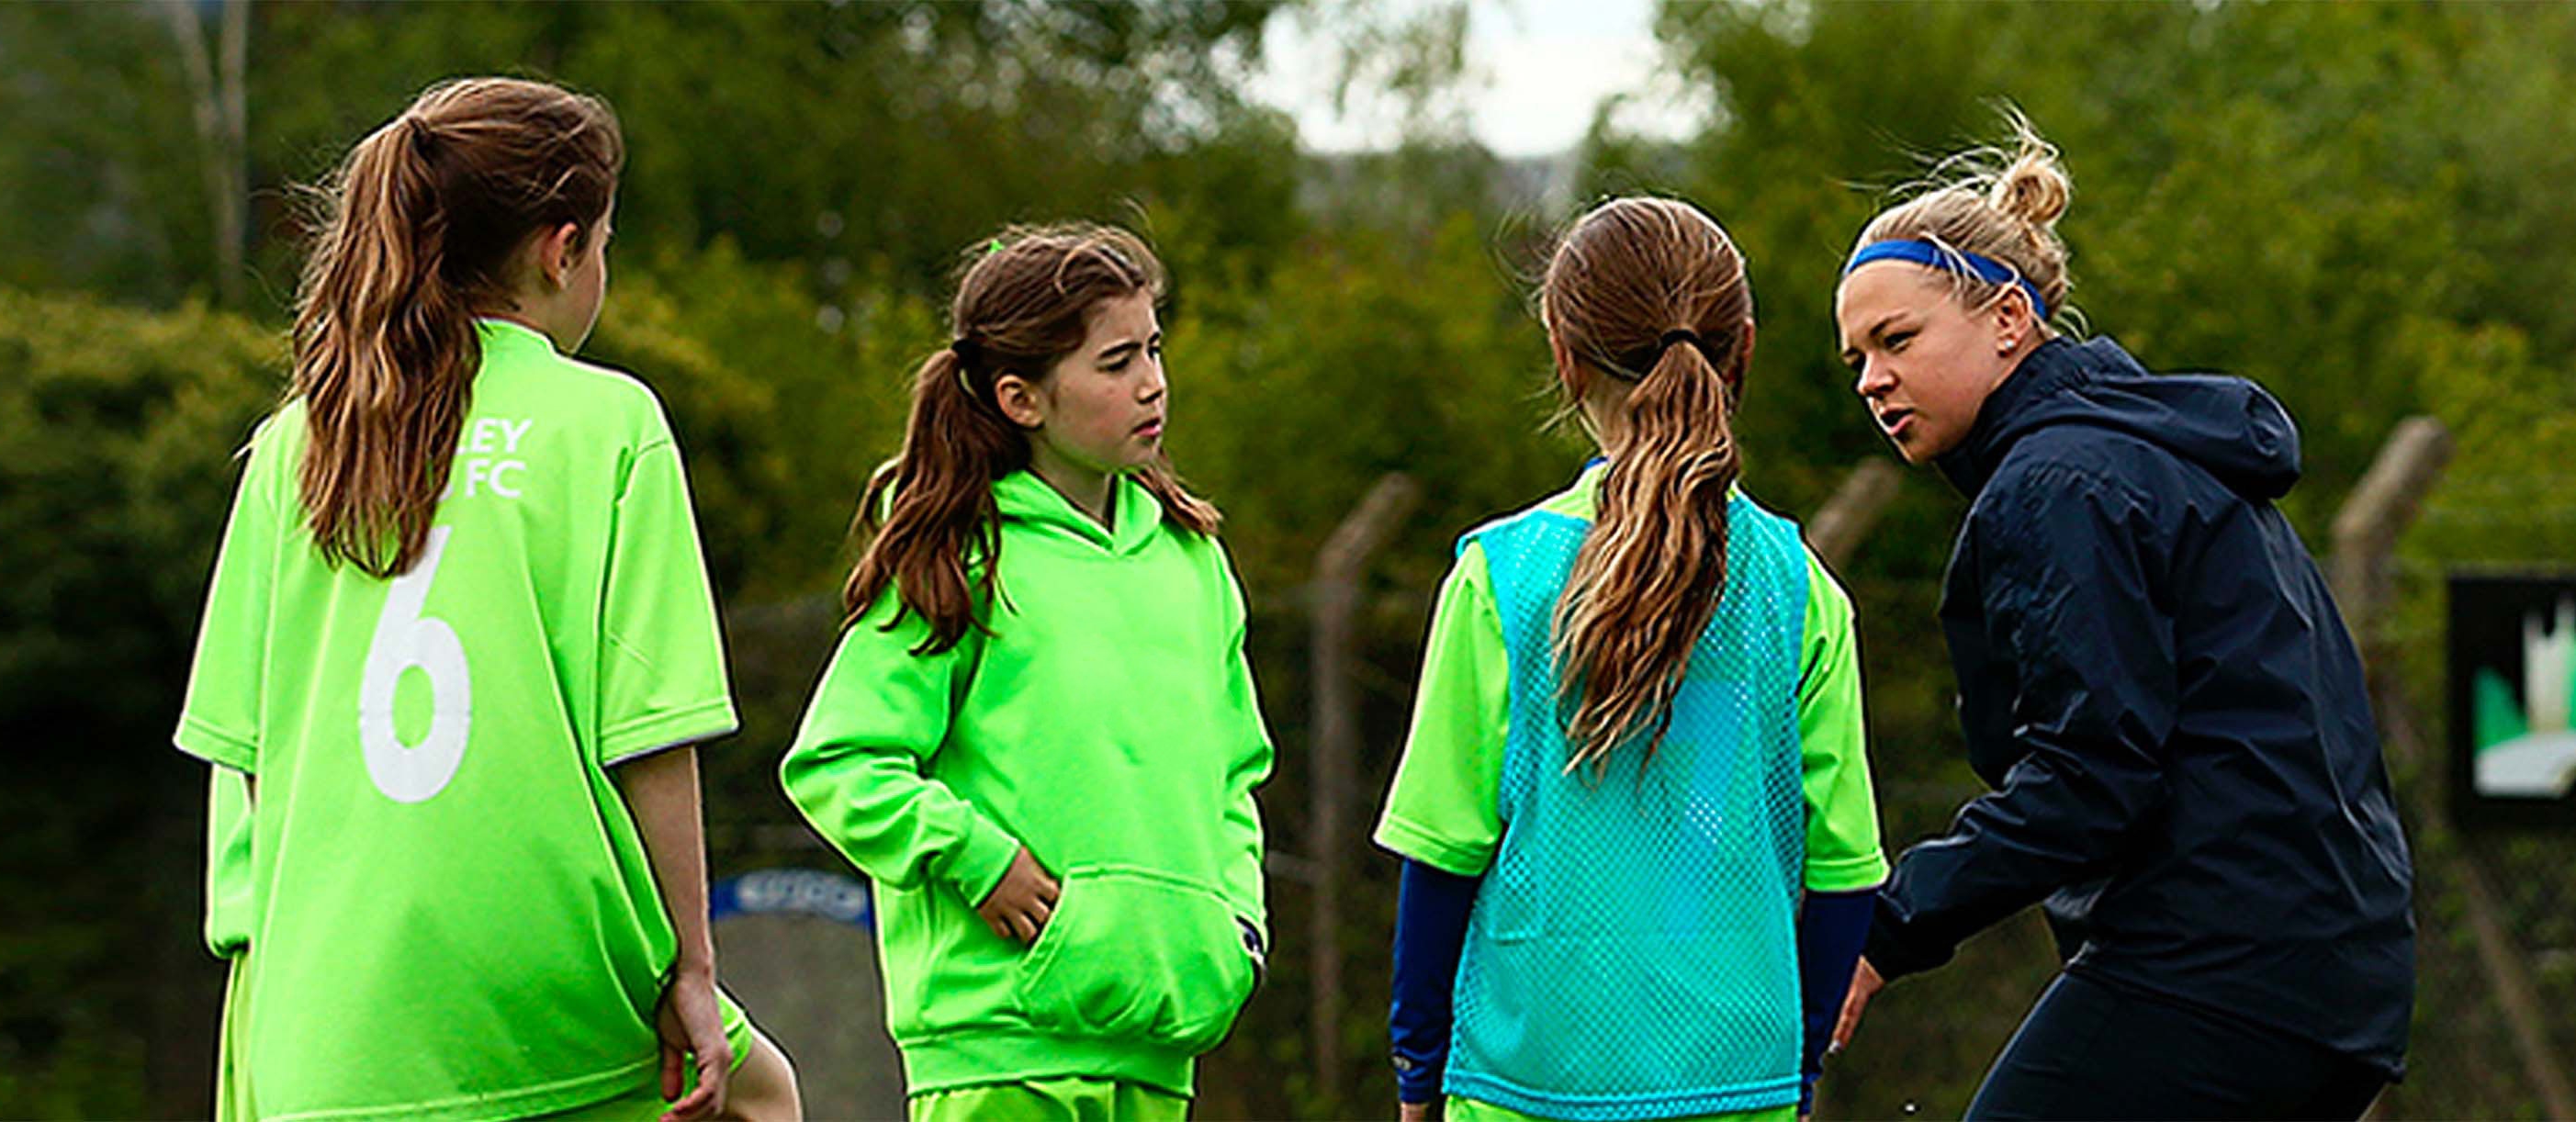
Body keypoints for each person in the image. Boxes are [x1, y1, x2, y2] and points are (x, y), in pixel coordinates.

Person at [173, 76, 798, 1122]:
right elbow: (652, 735)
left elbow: (241, 753)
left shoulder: (296, 443)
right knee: (765, 1094)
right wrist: (692, 966)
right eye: (605, 242)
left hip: (326, 1003)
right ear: (562, 249)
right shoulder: (610, 423)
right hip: (546, 983)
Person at [1827, 113, 2414, 1120]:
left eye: (1898, 339)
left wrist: (1888, 928)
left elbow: (2091, 776)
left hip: (2218, 965)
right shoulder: (2152, 455)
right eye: (1857, 360)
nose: (1874, 378)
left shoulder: (2062, 483)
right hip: (2333, 964)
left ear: (2009, 320)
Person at [1378, 196, 1889, 1122]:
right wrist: (1800, 1064)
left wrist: (1419, 1071)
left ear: (1564, 355)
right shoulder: (1798, 588)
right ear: (1743, 350)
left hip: (1521, 1084)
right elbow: (1846, 865)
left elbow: (1443, 849)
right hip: (1742, 1081)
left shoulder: (1500, 578)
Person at [782, 223, 1273, 1122]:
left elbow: (1236, 772)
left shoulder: (1193, 559)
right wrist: (979, 858)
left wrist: (1236, 926)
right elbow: (840, 762)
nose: (1153, 382)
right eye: (1117, 361)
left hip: (1161, 1040)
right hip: (996, 1048)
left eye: (1154, 349)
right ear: (1022, 398)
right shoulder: (956, 552)